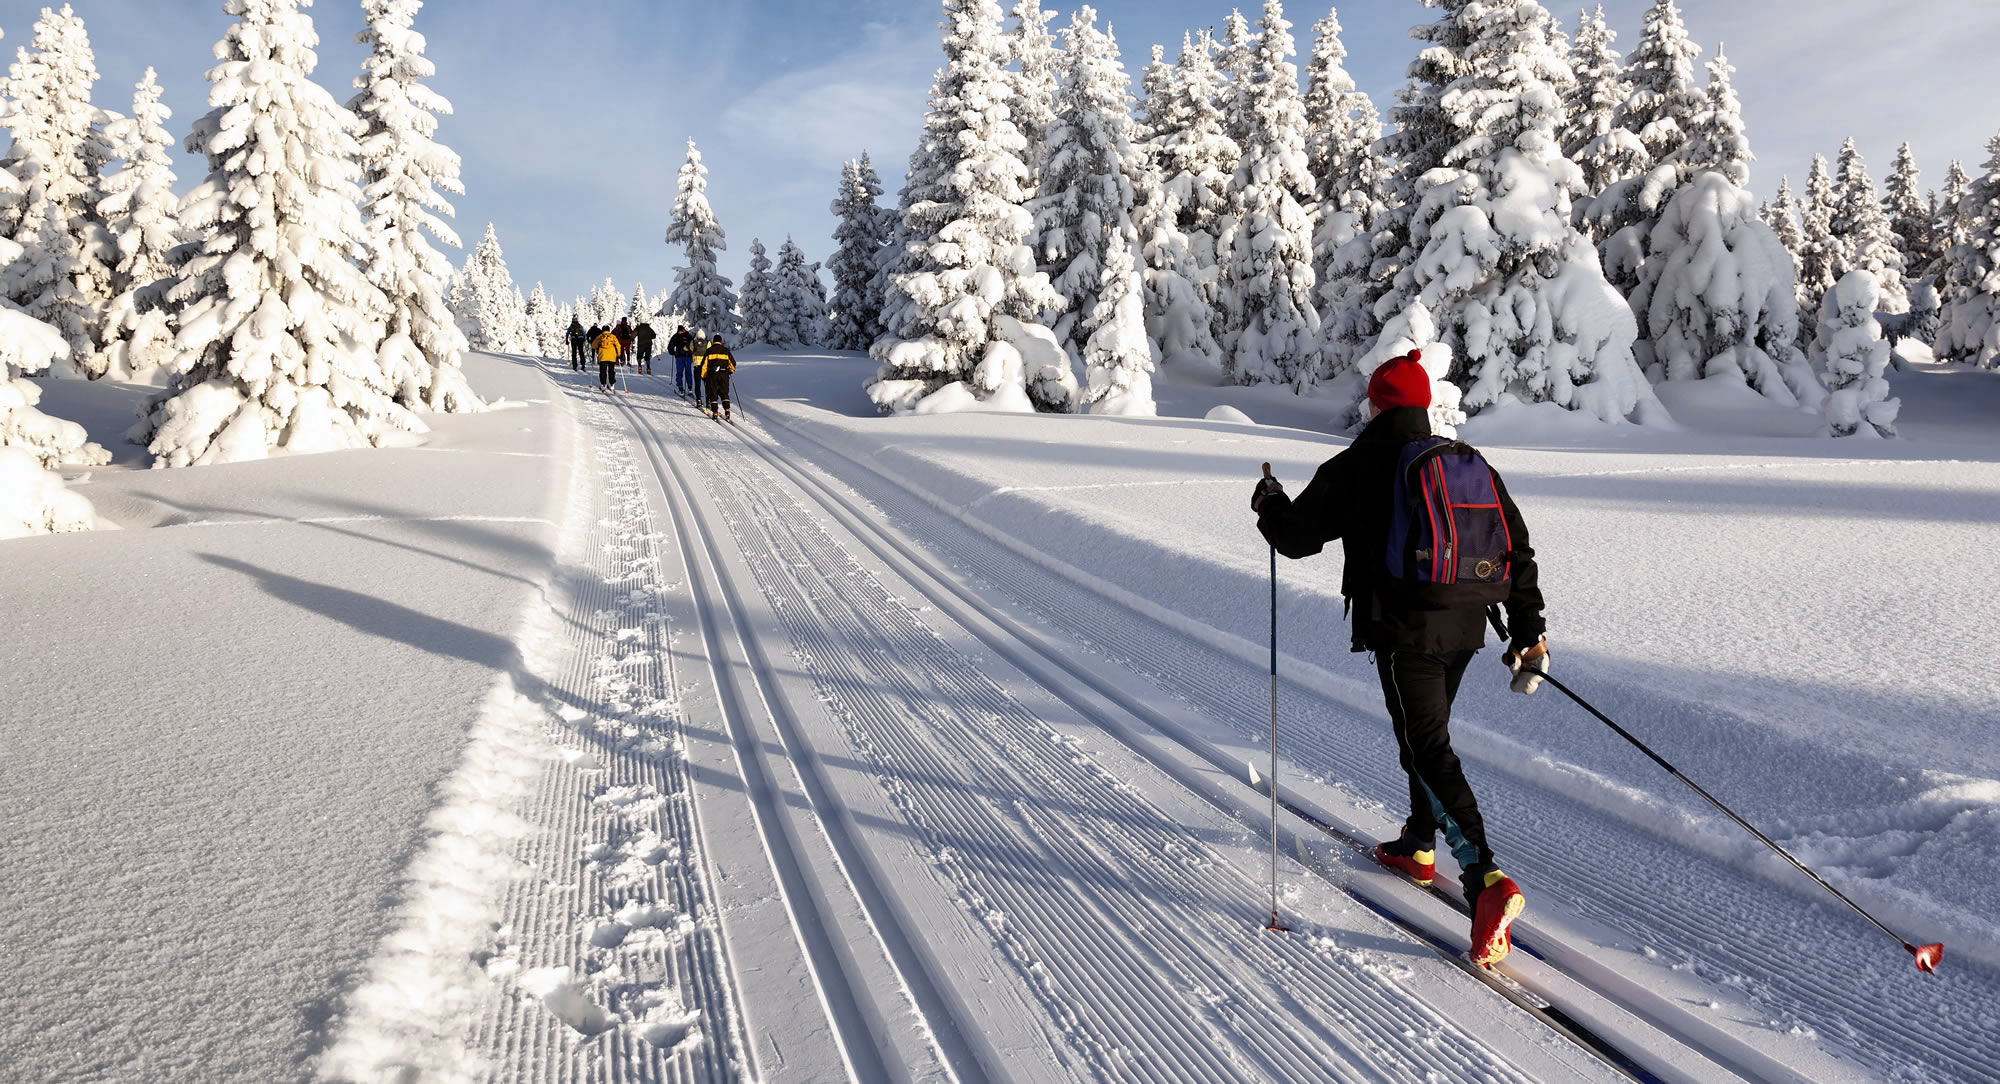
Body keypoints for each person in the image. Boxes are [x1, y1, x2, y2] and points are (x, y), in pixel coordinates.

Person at [1251, 352, 1549, 968]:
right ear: (1423, 404)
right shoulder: (1467, 463)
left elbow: (1297, 537)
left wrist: (1269, 502)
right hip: (1467, 627)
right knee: (1423, 736)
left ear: (1376, 404)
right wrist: (1528, 632)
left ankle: (1486, 881)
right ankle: (1418, 843)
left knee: (1426, 748)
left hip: (1402, 630)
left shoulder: (1358, 465)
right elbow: (1516, 550)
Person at [699, 335, 736, 420]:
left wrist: (703, 376)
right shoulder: (726, 351)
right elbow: (733, 364)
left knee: (713, 394)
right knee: (724, 393)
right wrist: (730, 371)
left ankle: (715, 413)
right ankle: (727, 410)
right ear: (721, 341)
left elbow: (704, 365)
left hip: (712, 374)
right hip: (724, 374)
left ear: (713, 341)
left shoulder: (709, 351)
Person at [667, 324, 697, 398]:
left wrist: (672, 352)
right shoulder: (689, 336)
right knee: (688, 373)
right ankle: (690, 389)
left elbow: (670, 346)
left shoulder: (676, 336)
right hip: (688, 357)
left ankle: (681, 389)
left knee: (679, 373)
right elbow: (694, 345)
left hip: (679, 357)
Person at [594, 323, 623, 392]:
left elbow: (593, 345)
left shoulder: (600, 336)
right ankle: (612, 385)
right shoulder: (613, 337)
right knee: (611, 370)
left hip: (603, 355)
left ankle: (603, 385)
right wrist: (618, 354)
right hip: (612, 356)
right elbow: (618, 345)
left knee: (603, 371)